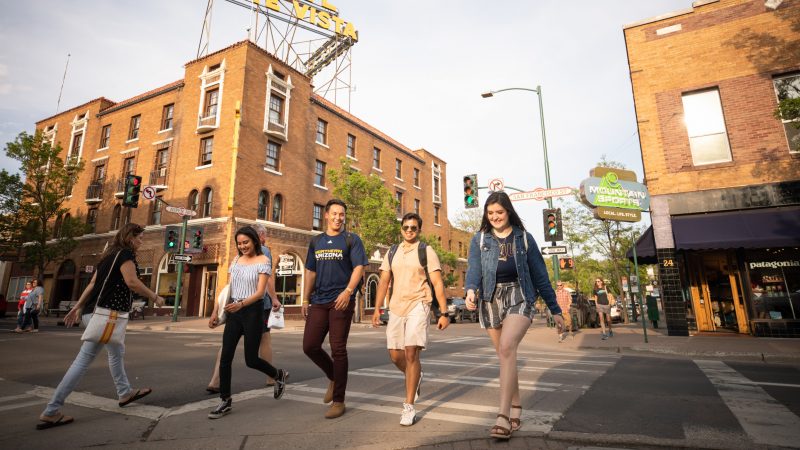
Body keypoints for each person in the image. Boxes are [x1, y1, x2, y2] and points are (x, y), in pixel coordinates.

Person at [36, 223, 166, 430]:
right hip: (107, 315)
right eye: (140, 238)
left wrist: (78, 307)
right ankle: (51, 410)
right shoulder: (125, 254)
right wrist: (155, 296)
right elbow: (132, 282)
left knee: (116, 352)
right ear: (130, 237)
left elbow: (91, 284)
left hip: (94, 312)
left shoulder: (108, 255)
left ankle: (124, 393)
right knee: (83, 360)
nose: (142, 242)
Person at [464, 191, 563, 440]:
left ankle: (503, 416)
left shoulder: (524, 239)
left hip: (520, 295)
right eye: (490, 213)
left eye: (500, 212)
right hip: (490, 298)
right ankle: (517, 406)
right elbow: (474, 269)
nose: (495, 217)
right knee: (505, 356)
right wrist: (470, 290)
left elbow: (540, 275)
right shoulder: (480, 240)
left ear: (508, 212)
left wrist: (555, 309)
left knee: (507, 348)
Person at [371, 213, 450, 426]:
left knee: (410, 352)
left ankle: (408, 406)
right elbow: (384, 281)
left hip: (419, 303)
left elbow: (438, 282)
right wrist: (377, 308)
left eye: (413, 228)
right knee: (395, 355)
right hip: (396, 306)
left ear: (419, 230)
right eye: (406, 227)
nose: (409, 231)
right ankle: (415, 376)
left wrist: (444, 312)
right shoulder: (393, 251)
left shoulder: (427, 251)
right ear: (401, 229)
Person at [207, 226, 288, 419]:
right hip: (234, 311)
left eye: (246, 242)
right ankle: (225, 400)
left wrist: (241, 305)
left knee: (251, 360)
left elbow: (260, 292)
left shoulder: (263, 261)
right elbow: (229, 287)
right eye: (239, 243)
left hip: (252, 311)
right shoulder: (236, 260)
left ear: (254, 241)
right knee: (226, 357)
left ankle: (278, 375)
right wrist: (215, 311)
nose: (242, 246)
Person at [302, 199, 368, 419]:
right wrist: (304, 300)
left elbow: (359, 267)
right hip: (319, 299)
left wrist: (348, 291)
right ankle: (333, 376)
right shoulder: (316, 242)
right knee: (310, 345)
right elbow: (310, 272)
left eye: (342, 215)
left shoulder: (351, 240)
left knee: (338, 349)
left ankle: (339, 400)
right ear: (326, 215)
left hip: (341, 298)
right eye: (335, 214)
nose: (338, 218)